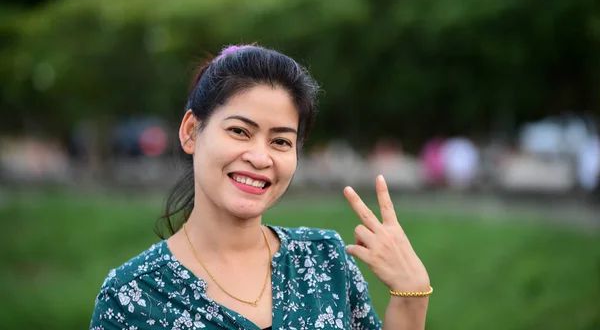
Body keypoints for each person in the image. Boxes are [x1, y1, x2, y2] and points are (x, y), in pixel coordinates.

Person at [90, 45, 431, 330]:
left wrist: (412, 294)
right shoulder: (131, 295)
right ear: (192, 131)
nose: (259, 157)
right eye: (240, 131)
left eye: (281, 141)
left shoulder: (326, 261)